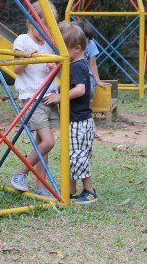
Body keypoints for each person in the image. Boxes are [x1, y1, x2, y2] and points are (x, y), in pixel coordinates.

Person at [10, 1, 60, 197]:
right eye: (42, 25)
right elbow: (16, 69)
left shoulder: (48, 44)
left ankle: (41, 186)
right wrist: (27, 58)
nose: (46, 30)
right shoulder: (22, 40)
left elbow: (58, 68)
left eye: (49, 26)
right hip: (32, 98)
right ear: (31, 22)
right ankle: (20, 173)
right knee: (48, 142)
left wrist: (53, 67)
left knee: (42, 145)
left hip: (48, 97)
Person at [44, 22, 97, 204]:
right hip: (74, 120)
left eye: (63, 50)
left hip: (80, 121)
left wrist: (60, 96)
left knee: (78, 156)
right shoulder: (73, 65)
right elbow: (70, 82)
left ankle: (89, 191)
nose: (60, 54)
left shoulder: (79, 66)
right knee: (71, 155)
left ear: (76, 49)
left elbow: (80, 89)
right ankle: (70, 190)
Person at [78, 22, 111, 95]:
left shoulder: (91, 44)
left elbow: (92, 64)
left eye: (87, 38)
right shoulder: (72, 45)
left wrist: (98, 81)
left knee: (90, 90)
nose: (85, 40)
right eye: (83, 38)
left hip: (86, 73)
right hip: (75, 72)